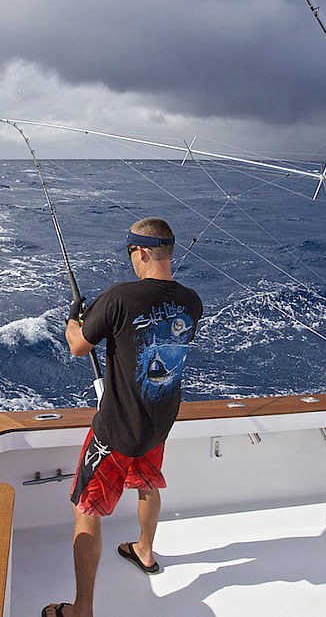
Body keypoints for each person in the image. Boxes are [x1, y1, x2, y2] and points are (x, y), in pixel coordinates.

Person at [43, 217, 203, 617]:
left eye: (132, 252)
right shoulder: (192, 301)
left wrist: (73, 319)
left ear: (143, 252)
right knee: (147, 485)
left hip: (114, 433)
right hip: (158, 423)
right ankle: (145, 552)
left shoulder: (118, 297)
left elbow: (79, 346)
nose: (132, 260)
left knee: (86, 508)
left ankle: (82, 608)